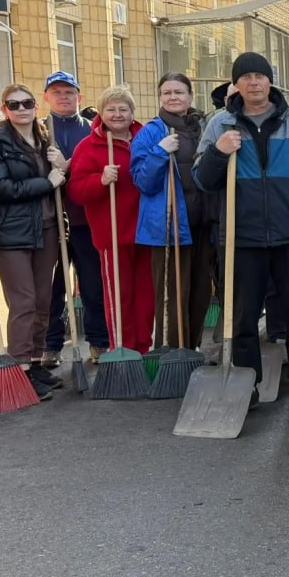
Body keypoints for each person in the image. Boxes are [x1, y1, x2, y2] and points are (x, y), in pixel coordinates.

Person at [194, 52, 289, 414]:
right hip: (242, 238)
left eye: (261, 76)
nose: (254, 82)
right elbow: (201, 180)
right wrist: (218, 154)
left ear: (270, 81)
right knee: (242, 317)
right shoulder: (219, 126)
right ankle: (247, 385)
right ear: (235, 84)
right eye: (246, 77)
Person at [0, 84, 69, 400]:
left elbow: (58, 180)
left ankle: (35, 360)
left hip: (46, 229)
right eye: (13, 104)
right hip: (13, 233)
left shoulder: (46, 138)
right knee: (24, 301)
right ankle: (19, 370)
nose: (21, 109)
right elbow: (2, 188)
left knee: (44, 300)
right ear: (4, 108)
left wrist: (61, 166)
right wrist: (46, 181)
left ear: (35, 105)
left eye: (27, 103)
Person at [67, 85, 154, 355]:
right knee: (119, 296)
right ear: (101, 113)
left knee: (146, 297)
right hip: (113, 233)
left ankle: (142, 348)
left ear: (132, 112)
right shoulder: (89, 146)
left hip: (146, 231)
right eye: (111, 109)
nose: (117, 115)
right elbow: (75, 191)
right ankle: (123, 349)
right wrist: (100, 180)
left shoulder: (145, 139)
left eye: (123, 109)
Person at [129, 73, 212, 350]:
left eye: (179, 92)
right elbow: (143, 181)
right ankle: (172, 353)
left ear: (190, 96)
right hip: (170, 225)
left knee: (200, 292)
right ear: (160, 97)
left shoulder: (202, 129)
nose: (173, 97)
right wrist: (159, 153)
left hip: (203, 223)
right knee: (173, 294)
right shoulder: (151, 132)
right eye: (167, 92)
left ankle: (192, 348)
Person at [40, 72, 110, 366]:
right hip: (50, 220)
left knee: (92, 284)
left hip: (84, 219)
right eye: (57, 92)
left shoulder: (92, 130)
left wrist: (68, 166)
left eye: (69, 92)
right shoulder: (39, 130)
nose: (63, 97)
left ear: (79, 97)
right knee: (53, 287)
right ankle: (51, 345)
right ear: (46, 97)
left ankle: (99, 342)